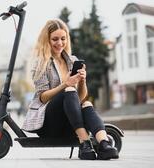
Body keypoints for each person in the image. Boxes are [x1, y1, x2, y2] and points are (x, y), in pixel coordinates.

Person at [22, 19, 119, 160]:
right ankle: (85, 143)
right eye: (55, 39)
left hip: (70, 121)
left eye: (63, 38)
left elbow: (80, 98)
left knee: (86, 104)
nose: (60, 43)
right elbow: (42, 97)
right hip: (49, 124)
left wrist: (82, 80)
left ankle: (104, 144)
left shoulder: (72, 61)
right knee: (68, 90)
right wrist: (65, 84)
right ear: (47, 40)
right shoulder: (41, 63)